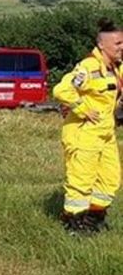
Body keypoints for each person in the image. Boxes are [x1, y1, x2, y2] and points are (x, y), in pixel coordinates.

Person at [52, 19, 123, 233]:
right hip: (84, 134)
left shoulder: (116, 68)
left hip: (105, 134)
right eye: (118, 44)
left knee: (110, 179)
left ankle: (94, 218)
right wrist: (82, 109)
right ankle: (73, 223)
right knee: (81, 181)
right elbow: (61, 90)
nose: (122, 48)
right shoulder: (88, 68)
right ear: (102, 45)